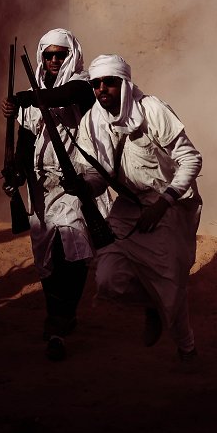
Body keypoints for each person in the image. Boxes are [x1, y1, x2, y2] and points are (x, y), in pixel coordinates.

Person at [76, 55, 202, 359]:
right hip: (128, 205)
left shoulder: (152, 110)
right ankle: (151, 305)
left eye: (109, 82)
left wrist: (163, 203)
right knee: (108, 279)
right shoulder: (90, 122)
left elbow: (191, 159)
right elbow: (97, 176)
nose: (102, 89)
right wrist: (85, 186)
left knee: (169, 282)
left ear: (124, 83)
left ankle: (186, 345)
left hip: (168, 202)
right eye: (96, 84)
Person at [1, 29, 106, 361]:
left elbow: (64, 95)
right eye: (48, 55)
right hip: (39, 185)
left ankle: (62, 317)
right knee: (45, 253)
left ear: (71, 55)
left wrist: (25, 97)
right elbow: (26, 141)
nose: (54, 60)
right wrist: (16, 173)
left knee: (70, 245)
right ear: (41, 57)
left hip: (74, 181)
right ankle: (57, 313)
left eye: (61, 54)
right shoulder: (34, 96)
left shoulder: (82, 85)